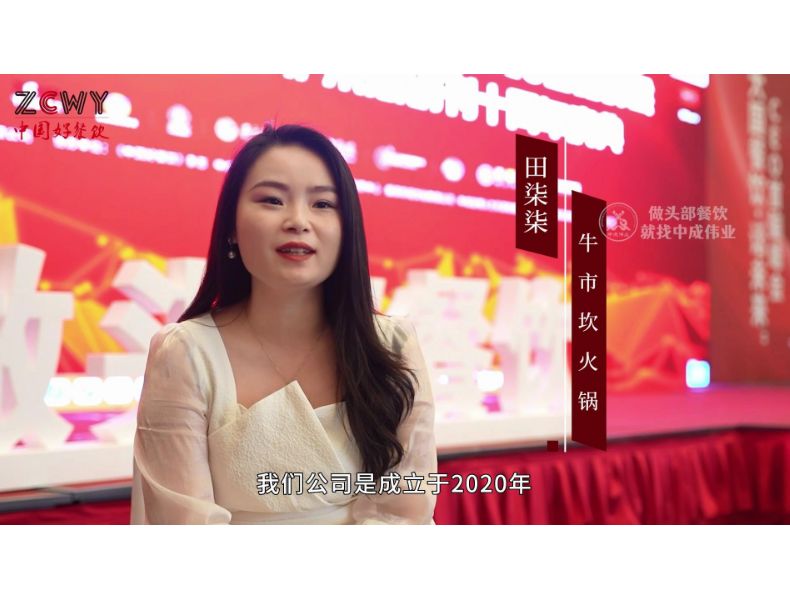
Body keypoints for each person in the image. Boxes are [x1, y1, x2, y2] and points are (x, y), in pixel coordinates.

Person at [130, 123, 438, 524]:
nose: (298, 221)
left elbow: (408, 510)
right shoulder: (186, 353)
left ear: (347, 230)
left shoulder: (392, 345)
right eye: (272, 200)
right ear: (231, 228)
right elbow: (183, 526)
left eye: (322, 204)